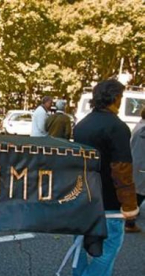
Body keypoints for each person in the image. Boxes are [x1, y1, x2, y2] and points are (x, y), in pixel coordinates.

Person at [73, 79, 139, 276]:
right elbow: (122, 170)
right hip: (108, 201)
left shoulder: (82, 125)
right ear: (116, 98)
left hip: (83, 197)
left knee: (79, 248)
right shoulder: (117, 127)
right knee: (108, 249)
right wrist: (129, 205)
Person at [125, 107, 145, 233]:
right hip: (141, 164)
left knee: (138, 192)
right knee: (138, 193)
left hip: (137, 162)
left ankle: (130, 218)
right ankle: (129, 221)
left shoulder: (140, 124)